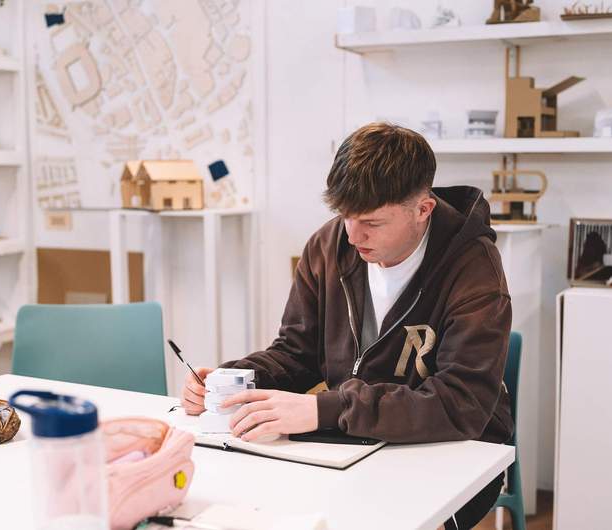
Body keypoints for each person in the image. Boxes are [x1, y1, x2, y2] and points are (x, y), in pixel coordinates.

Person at [183, 122, 513, 529]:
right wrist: (234, 381)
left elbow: (461, 405)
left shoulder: (473, 267)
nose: (353, 236)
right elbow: (296, 352)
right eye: (345, 216)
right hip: (351, 438)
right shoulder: (329, 245)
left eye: (372, 223)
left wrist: (325, 409)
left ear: (422, 210)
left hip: (454, 450)